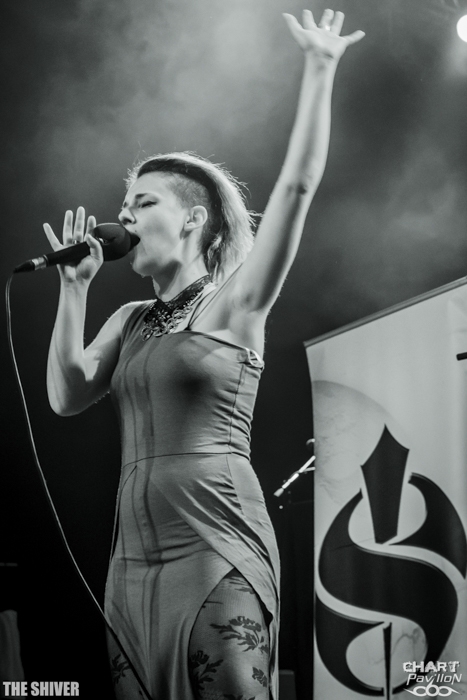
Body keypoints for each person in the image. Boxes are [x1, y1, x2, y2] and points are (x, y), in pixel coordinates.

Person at [43, 8, 364, 700]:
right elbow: (66, 396)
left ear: (192, 219)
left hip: (214, 540)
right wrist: (74, 291)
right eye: (123, 204)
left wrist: (319, 69)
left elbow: (295, 190)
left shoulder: (233, 304)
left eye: (141, 203)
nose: (123, 217)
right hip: (133, 560)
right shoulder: (128, 320)